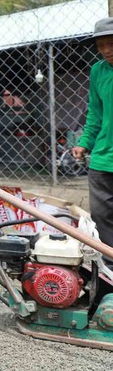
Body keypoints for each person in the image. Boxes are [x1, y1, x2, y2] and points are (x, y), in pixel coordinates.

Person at [72, 17, 113, 264]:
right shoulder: (98, 71)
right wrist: (84, 141)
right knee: (101, 215)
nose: (106, 50)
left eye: (111, 44)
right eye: (101, 45)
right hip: (103, 158)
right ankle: (111, 266)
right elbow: (95, 113)